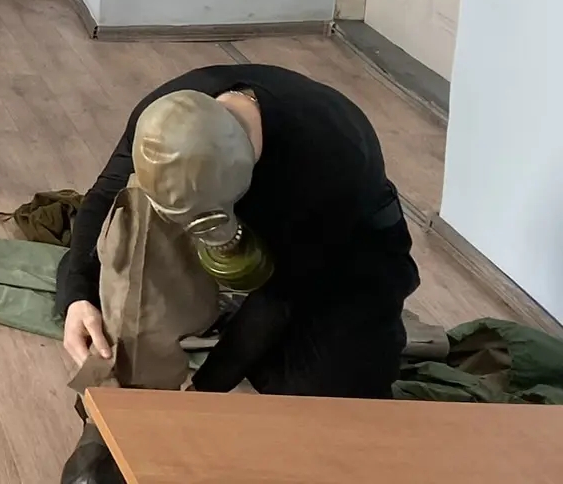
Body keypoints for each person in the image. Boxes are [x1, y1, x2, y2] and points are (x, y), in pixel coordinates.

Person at [55, 64, 418, 481]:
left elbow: (280, 297)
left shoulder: (330, 157)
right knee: (132, 218)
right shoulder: (164, 121)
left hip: (343, 251)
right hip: (246, 218)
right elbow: (103, 195)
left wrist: (201, 394)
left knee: (330, 408)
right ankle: (119, 415)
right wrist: (77, 295)